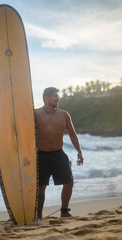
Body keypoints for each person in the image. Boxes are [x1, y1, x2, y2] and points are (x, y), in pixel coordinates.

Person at [35, 87, 84, 219]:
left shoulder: (64, 115)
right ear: (46, 98)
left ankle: (64, 211)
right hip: (41, 155)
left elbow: (72, 135)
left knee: (69, 182)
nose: (58, 98)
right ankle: (38, 215)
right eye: (54, 96)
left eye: (58, 96)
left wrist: (79, 151)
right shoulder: (35, 114)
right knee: (40, 188)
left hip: (58, 154)